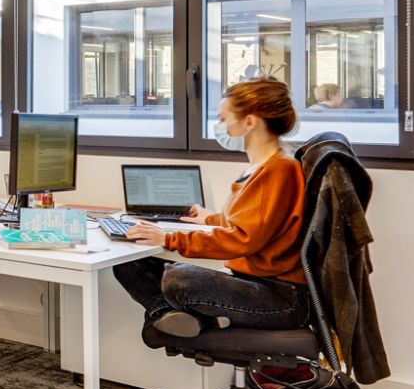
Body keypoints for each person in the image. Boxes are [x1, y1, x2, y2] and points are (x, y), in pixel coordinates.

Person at [114, 78, 308, 338]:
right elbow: (258, 223)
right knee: (130, 262)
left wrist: (169, 239)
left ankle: (178, 317)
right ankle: (170, 315)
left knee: (179, 279)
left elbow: (244, 239)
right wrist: (210, 219)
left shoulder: (278, 170)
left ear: (250, 122)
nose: (220, 126)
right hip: (255, 281)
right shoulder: (263, 167)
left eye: (223, 119)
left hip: (280, 298)